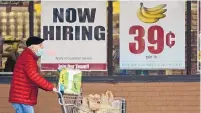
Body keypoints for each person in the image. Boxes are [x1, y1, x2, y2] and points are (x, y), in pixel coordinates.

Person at [9, 36, 57, 113]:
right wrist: (51, 87)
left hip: (22, 96)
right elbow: (34, 76)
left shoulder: (29, 57)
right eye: (40, 45)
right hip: (23, 97)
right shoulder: (28, 58)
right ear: (32, 46)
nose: (42, 47)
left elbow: (33, 78)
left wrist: (49, 88)